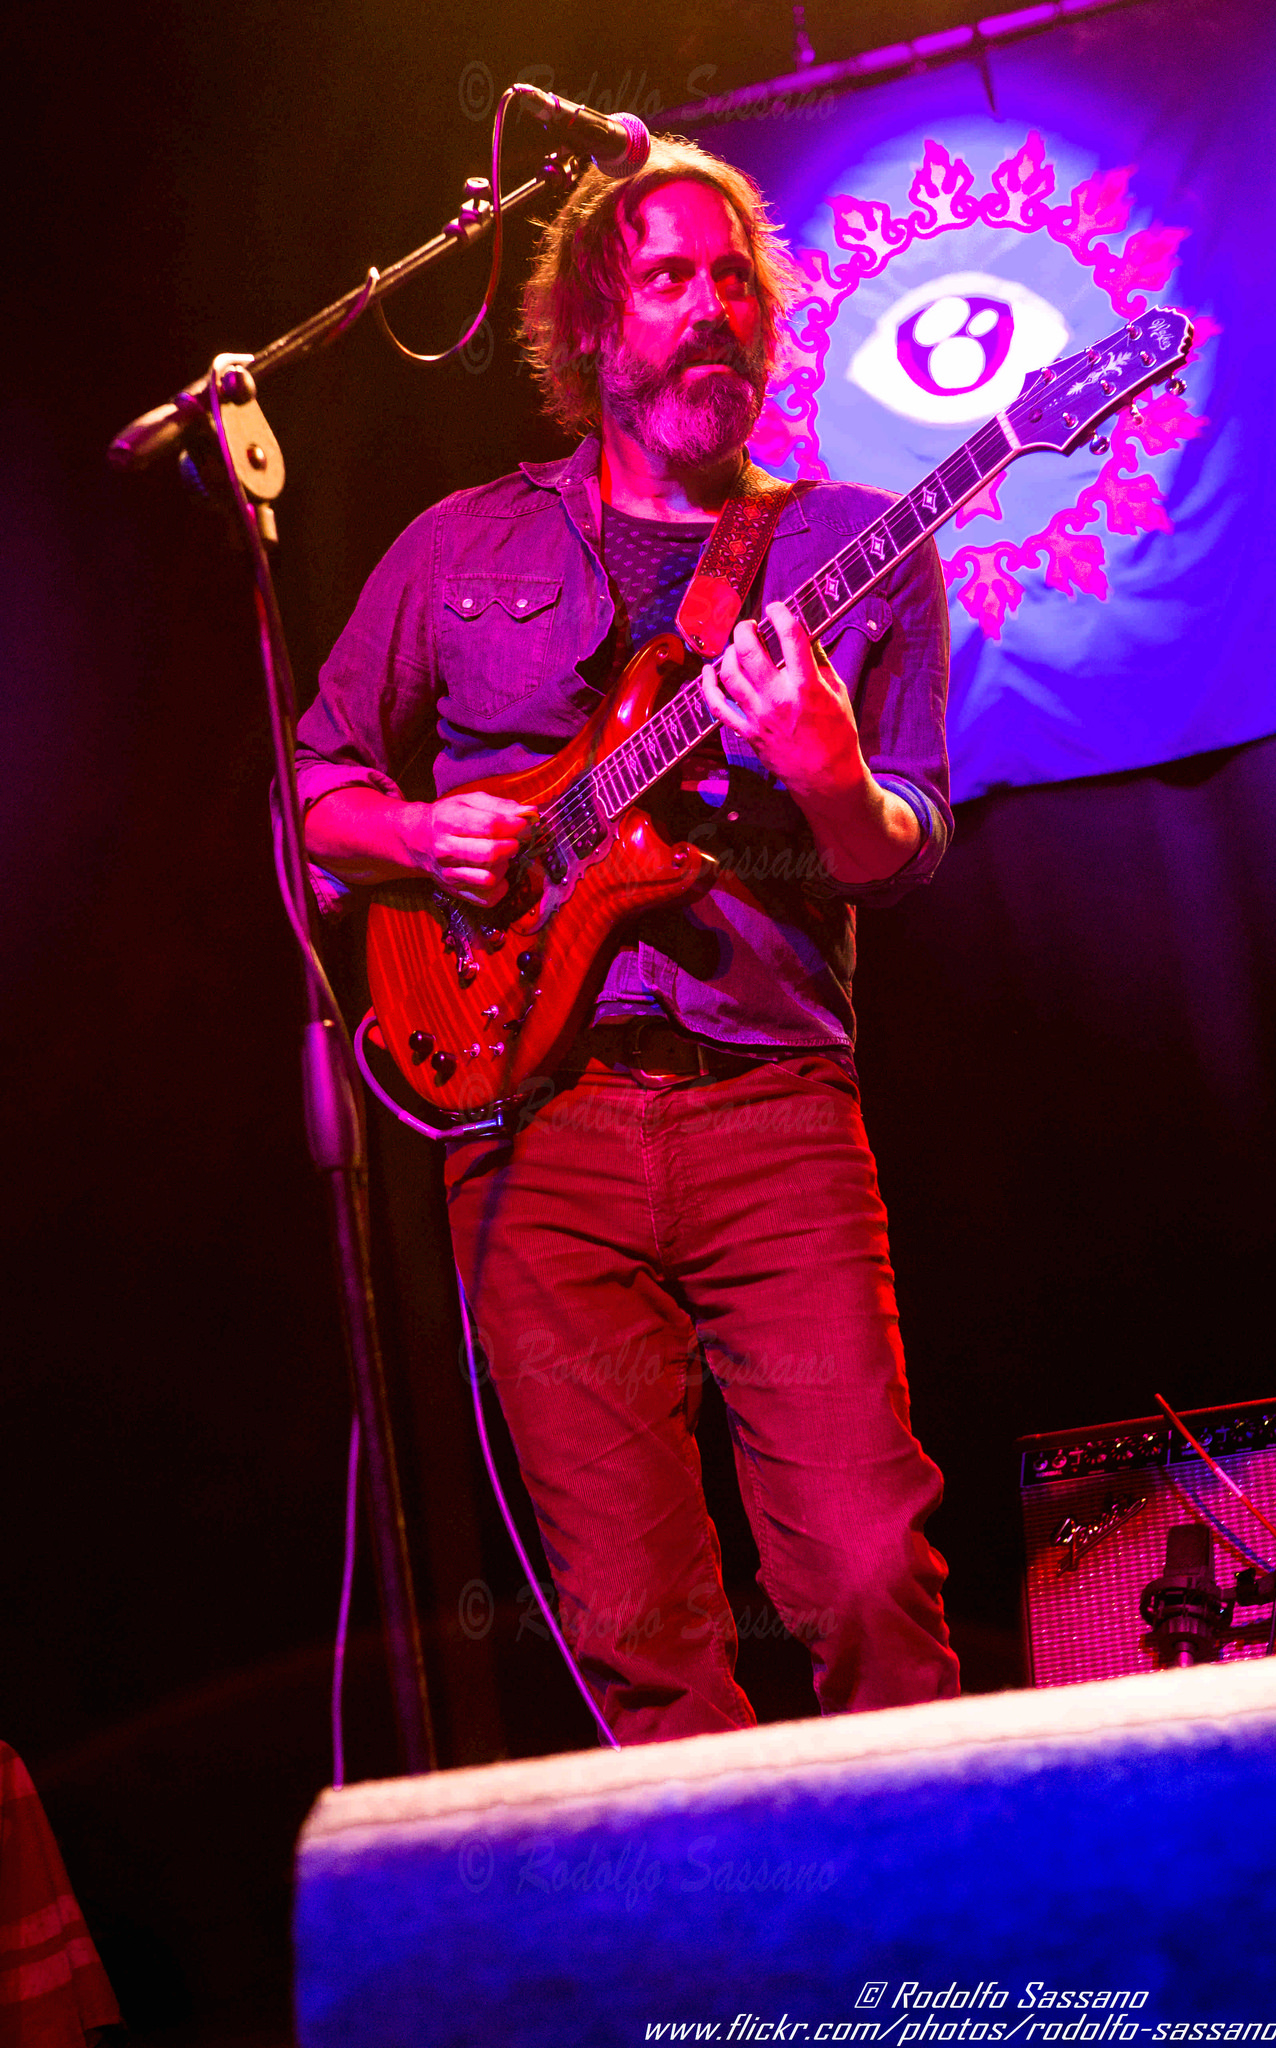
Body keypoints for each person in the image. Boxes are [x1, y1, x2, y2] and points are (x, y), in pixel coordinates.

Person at [293, 136, 959, 1744]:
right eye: (668, 278)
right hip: (531, 1130)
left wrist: (829, 776)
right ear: (591, 325)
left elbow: (901, 851)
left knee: (868, 1575)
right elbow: (313, 790)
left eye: (734, 279)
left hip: (771, 1110)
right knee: (642, 1640)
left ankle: (934, 1900)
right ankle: (728, 1918)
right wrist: (417, 837)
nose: (710, 307)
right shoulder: (458, 549)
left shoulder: (850, 545)